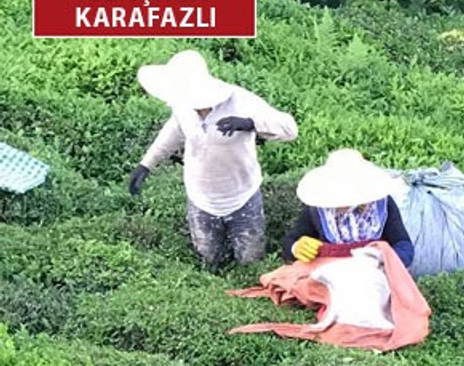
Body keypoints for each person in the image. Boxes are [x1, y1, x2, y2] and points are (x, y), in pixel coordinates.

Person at [129, 50, 297, 269]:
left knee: (250, 262)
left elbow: (290, 129)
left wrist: (250, 123)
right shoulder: (182, 106)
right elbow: (172, 133)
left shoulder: (239, 100)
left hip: (242, 197)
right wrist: (145, 165)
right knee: (209, 262)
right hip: (201, 200)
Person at [282, 149, 415, 269]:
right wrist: (295, 248)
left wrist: (387, 261)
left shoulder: (382, 205)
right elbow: (290, 240)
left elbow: (403, 243)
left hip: (373, 271)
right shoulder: (318, 209)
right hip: (330, 271)